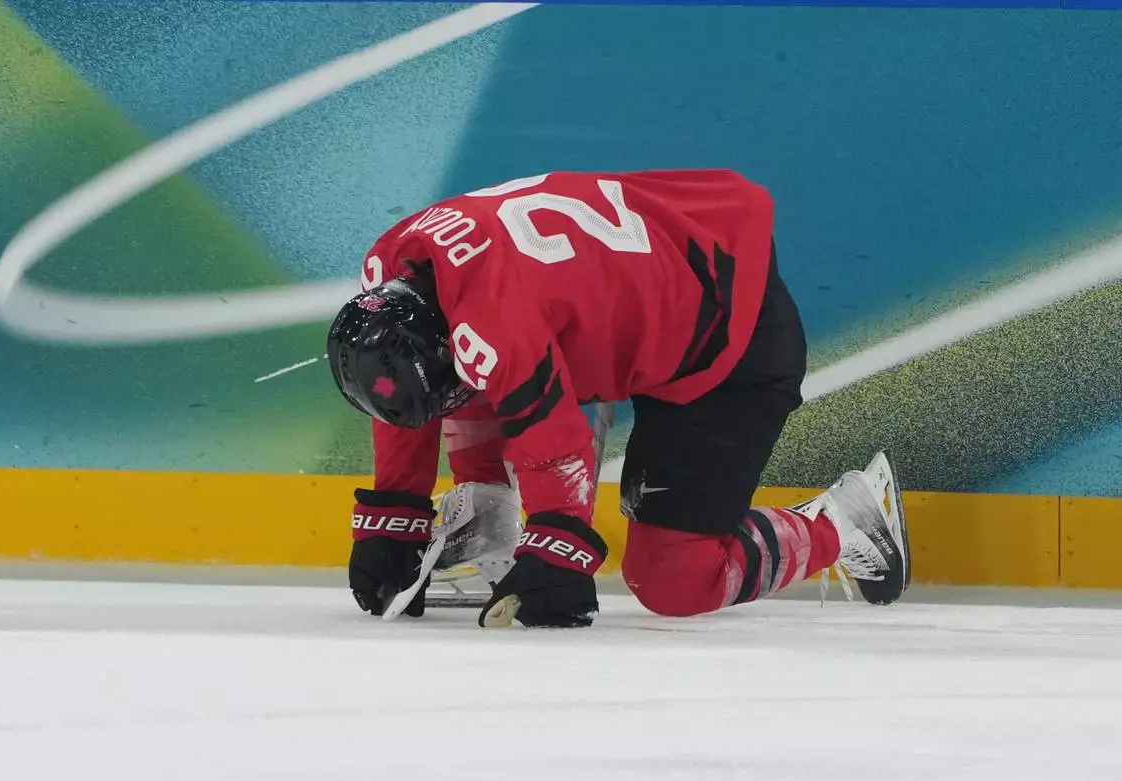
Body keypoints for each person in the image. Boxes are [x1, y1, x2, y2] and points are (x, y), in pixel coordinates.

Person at [326, 169, 909, 629]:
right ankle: (491, 509)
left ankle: (847, 520)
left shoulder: (491, 322)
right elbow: (408, 378)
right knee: (469, 369)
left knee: (675, 581)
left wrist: (558, 546)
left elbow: (557, 445)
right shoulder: (394, 270)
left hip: (730, 341)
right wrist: (394, 512)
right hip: (654, 283)